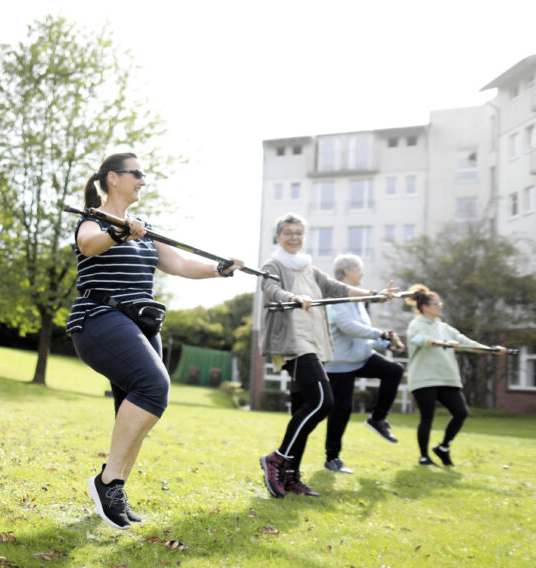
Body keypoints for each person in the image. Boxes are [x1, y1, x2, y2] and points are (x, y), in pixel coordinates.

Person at [68, 152, 243, 529]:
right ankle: (106, 483)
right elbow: (88, 246)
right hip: (100, 317)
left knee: (138, 414)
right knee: (153, 386)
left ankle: (115, 489)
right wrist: (119, 230)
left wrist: (219, 269)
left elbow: (179, 265)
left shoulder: (144, 228)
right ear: (113, 178)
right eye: (137, 174)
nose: (143, 181)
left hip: (141, 326)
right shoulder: (93, 219)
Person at [258, 213, 396, 498]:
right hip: (292, 342)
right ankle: (277, 458)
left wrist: (373, 295)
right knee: (324, 401)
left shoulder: (309, 268)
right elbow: (271, 290)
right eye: (288, 232)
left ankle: (290, 475)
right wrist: (294, 298)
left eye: (298, 232)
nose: (294, 237)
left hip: (314, 341)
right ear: (278, 236)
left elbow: (338, 288)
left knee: (303, 406)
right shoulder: (273, 264)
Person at [405, 284, 506, 466]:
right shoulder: (416, 324)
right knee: (427, 417)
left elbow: (466, 342)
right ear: (425, 307)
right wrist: (442, 342)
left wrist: (490, 350)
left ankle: (443, 448)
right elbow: (419, 340)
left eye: (440, 303)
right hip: (424, 378)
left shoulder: (445, 327)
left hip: (447, 378)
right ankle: (424, 457)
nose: (440, 306)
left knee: (461, 412)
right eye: (437, 304)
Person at [323, 254, 405, 474]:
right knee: (341, 411)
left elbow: (362, 330)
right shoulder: (336, 293)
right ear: (347, 270)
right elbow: (347, 326)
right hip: (340, 363)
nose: (363, 273)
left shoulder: (358, 297)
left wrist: (386, 343)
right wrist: (382, 334)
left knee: (394, 371)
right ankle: (332, 459)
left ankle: (377, 419)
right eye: (360, 269)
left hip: (360, 356)